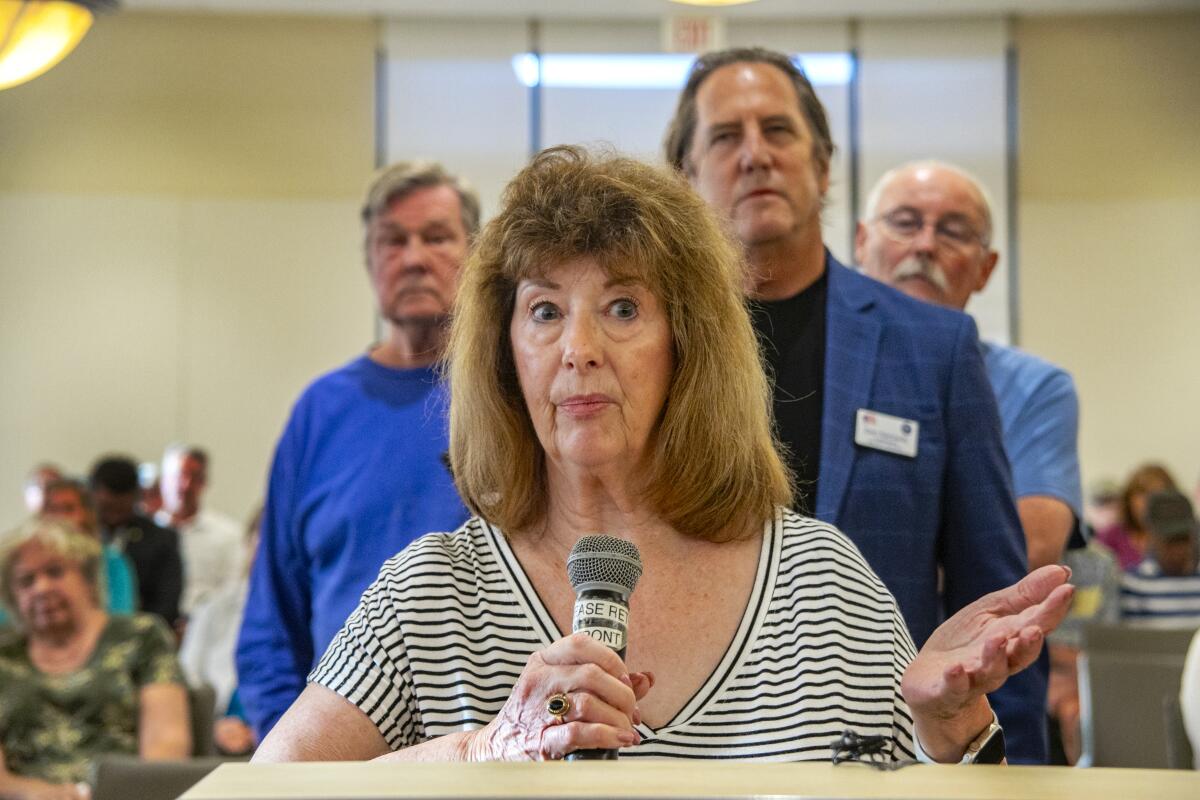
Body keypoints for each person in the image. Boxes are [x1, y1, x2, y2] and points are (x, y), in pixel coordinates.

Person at [252, 146, 1072, 765]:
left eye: (621, 306)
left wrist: (951, 735)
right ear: (505, 353)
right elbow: (263, 791)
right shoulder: (432, 593)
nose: (578, 348)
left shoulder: (825, 585)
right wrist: (480, 752)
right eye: (543, 310)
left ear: (688, 345)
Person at [662, 48, 1043, 762]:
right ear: (684, 176)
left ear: (824, 164)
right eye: (724, 136)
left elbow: (997, 609)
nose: (755, 156)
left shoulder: (935, 347)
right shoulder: (650, 349)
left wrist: (1009, 775)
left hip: (890, 756)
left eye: (778, 131)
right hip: (690, 754)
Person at [237, 160, 476, 739]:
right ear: (370, 260)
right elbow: (272, 617)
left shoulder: (515, 397)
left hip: (489, 753)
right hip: (340, 758)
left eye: (437, 237)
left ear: (475, 252)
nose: (414, 258)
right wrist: (291, 755)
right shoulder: (319, 413)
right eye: (392, 241)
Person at [856, 160, 1081, 572]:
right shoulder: (824, 364)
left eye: (953, 232)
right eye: (905, 223)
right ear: (860, 241)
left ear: (986, 268)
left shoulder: (1033, 388)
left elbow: (1030, 553)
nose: (924, 245)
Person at [0, 519, 190, 797]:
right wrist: (46, 794)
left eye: (54, 572)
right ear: (12, 598)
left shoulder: (141, 637)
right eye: (26, 581)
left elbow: (166, 752)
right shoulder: (4, 656)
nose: (41, 588)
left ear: (88, 580)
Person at [179, 509, 261, 756]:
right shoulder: (214, 607)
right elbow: (187, 675)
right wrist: (214, 724)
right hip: (214, 730)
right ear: (248, 545)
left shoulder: (315, 615)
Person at [89, 456, 183, 629]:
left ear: (135, 497)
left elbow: (166, 605)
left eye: (121, 508)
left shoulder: (161, 540)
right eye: (108, 507)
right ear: (93, 496)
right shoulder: (79, 539)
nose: (114, 514)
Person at [157, 445, 243, 616]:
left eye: (194, 477)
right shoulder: (146, 535)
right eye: (178, 476)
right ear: (163, 480)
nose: (185, 485)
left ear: (204, 483)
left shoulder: (227, 535)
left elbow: (233, 592)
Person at [41, 478, 137, 615]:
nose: (60, 517)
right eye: (53, 509)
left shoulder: (113, 562)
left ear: (87, 514)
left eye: (68, 508)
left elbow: (121, 619)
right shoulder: (29, 563)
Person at [1118, 489, 1200, 627]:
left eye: (1183, 538)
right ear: (1151, 537)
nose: (1178, 549)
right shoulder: (1135, 583)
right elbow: (1132, 640)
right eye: (1170, 540)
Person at [1096, 463, 1179, 571]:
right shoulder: (1109, 537)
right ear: (1129, 499)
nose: (1149, 501)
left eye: (1157, 493)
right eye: (1142, 493)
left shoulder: (1182, 539)